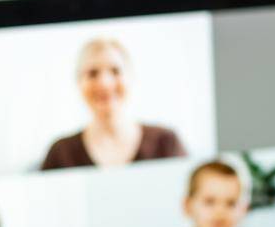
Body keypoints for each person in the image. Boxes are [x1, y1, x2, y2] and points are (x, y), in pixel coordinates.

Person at [39, 37, 187, 169]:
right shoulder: (60, 153)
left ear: (131, 77)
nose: (105, 83)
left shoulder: (165, 143)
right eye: (92, 73)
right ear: (78, 83)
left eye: (115, 71)